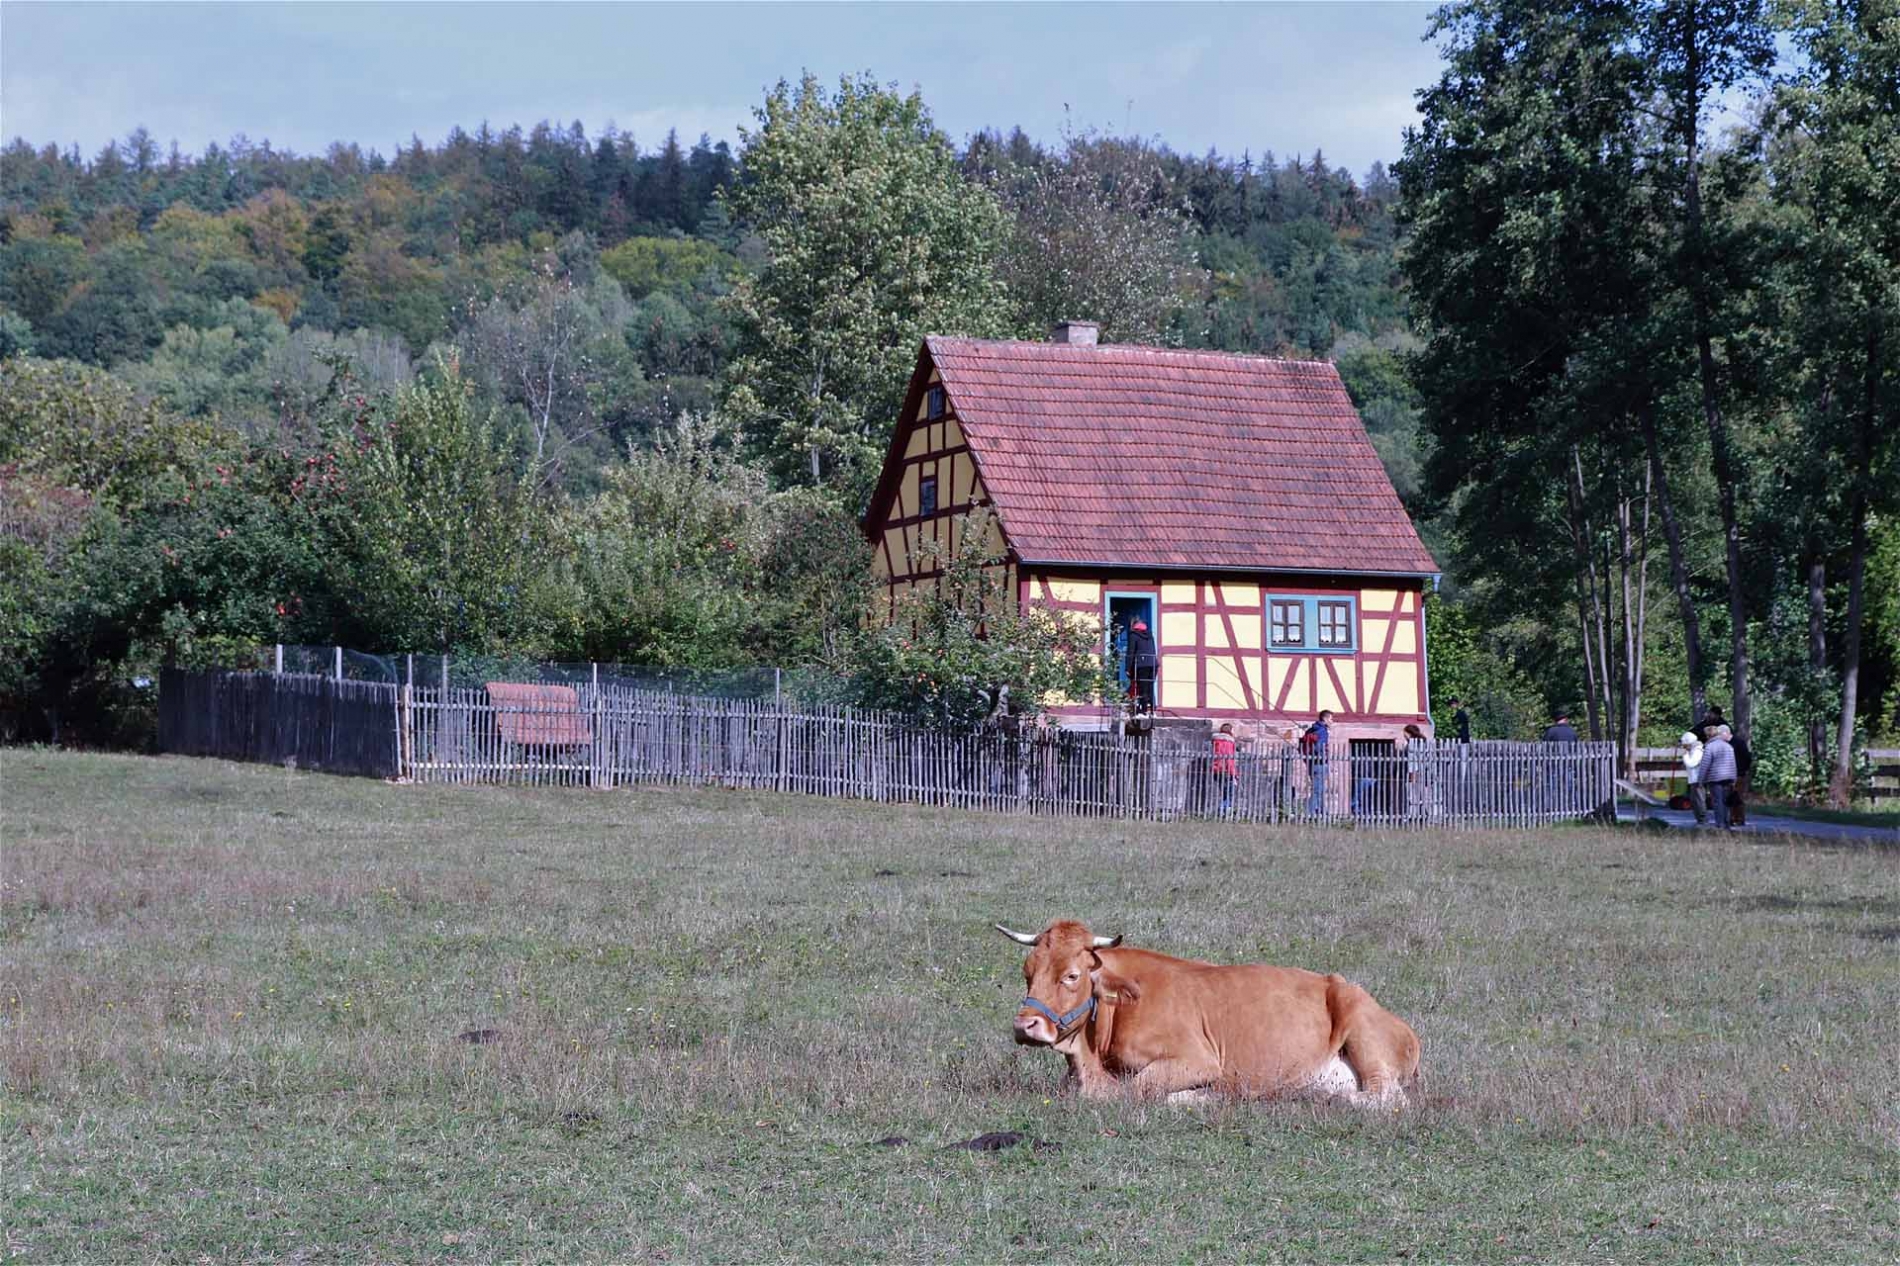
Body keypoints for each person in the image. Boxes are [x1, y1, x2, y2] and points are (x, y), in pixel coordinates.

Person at [1702, 725, 1738, 831]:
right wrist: (1734, 778)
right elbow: (1733, 763)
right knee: (1726, 801)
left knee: (1717, 801)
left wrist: (1701, 780)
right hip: (1729, 777)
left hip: (1715, 778)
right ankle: (1726, 823)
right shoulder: (1728, 746)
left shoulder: (1710, 747)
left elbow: (1705, 765)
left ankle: (1720, 824)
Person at [1124, 618, 1158, 714]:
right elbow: (1153, 650)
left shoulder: (1133, 635)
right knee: (1150, 686)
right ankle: (1151, 710)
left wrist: (1127, 668)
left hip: (1141, 665)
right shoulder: (1149, 635)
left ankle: (1142, 711)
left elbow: (1131, 652)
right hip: (1153, 664)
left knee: (1142, 687)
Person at [1303, 710, 1333, 817]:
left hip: (1311, 762)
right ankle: (1309, 812)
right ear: (1325, 719)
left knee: (1318, 788)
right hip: (1319, 763)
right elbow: (1319, 746)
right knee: (1317, 789)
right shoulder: (1322, 730)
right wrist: (1323, 756)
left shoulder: (1312, 729)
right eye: (1330, 719)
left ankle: (1321, 810)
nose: (1332, 721)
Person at [1679, 730, 1707, 825]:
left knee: (1699, 800)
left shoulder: (1697, 751)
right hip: (1693, 779)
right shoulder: (1692, 751)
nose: (1683, 747)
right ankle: (1699, 819)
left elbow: (1691, 763)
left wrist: (1685, 755)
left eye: (1685, 745)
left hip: (1697, 779)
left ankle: (1702, 819)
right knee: (1694, 800)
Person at [1210, 722, 1238, 817]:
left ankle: (1224, 811)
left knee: (1225, 792)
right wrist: (1234, 774)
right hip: (1226, 771)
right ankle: (1222, 811)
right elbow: (1229, 759)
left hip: (1216, 769)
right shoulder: (1228, 742)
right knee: (1230, 794)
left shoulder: (1215, 741)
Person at [1729, 727, 1753, 826]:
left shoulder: (1738, 742)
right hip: (1730, 773)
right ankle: (1731, 818)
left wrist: (1743, 770)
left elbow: (1747, 757)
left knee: (1738, 797)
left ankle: (1739, 818)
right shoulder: (1728, 743)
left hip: (1739, 773)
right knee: (1730, 797)